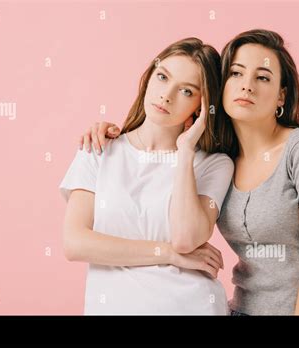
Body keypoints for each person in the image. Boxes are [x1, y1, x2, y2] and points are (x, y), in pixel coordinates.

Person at [78, 29, 299, 316]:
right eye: (236, 74)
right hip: (242, 310)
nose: (246, 86)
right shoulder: (224, 159)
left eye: (262, 77)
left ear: (281, 96)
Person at [59, 38, 234, 315]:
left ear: (202, 106)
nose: (167, 95)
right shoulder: (98, 149)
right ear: (149, 77)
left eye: (187, 91)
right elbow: (75, 243)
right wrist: (167, 254)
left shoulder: (213, 164)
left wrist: (186, 151)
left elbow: (186, 239)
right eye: (162, 77)